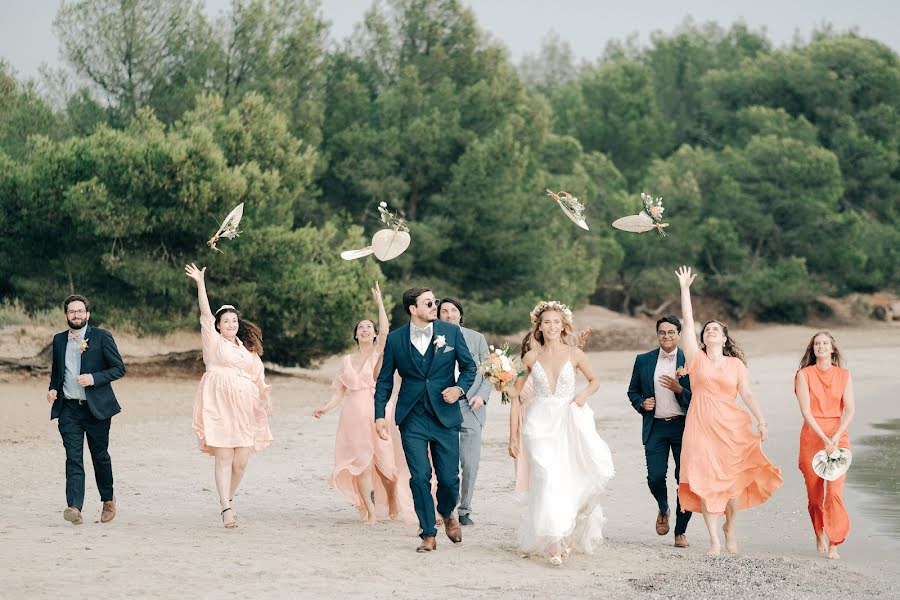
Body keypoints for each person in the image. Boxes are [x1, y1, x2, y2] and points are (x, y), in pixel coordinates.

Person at [674, 266, 782, 555]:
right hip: (700, 426)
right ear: (704, 338)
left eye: (716, 330)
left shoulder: (736, 365)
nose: (711, 332)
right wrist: (685, 289)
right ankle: (713, 540)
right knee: (706, 480)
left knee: (732, 486)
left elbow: (746, 393)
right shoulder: (695, 359)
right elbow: (687, 321)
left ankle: (730, 527)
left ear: (724, 338)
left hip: (730, 427)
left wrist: (762, 420)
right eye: (707, 329)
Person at [507, 301, 614, 566]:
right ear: (539, 327)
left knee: (570, 478)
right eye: (546, 322)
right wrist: (500, 378)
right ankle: (555, 541)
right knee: (545, 478)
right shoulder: (530, 358)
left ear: (563, 325)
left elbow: (595, 381)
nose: (552, 326)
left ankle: (566, 532)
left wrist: (582, 395)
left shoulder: (575, 354)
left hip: (569, 420)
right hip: (538, 425)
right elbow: (515, 394)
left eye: (556, 322)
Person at [374, 287, 477, 552]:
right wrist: (379, 415)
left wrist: (459, 389)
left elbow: (469, 367)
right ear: (413, 309)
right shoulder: (396, 340)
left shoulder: (451, 333)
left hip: (444, 414)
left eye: (435, 302)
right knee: (419, 477)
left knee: (449, 478)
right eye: (429, 303)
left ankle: (447, 512)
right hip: (412, 417)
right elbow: (385, 380)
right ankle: (428, 532)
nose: (435, 306)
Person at [313, 283, 414, 524]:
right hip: (353, 417)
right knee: (361, 465)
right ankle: (369, 511)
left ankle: (391, 498)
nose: (365, 329)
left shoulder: (381, 352)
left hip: (380, 414)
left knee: (387, 467)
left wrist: (380, 303)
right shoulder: (346, 361)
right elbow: (339, 392)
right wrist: (326, 408)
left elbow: (387, 331)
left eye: (369, 327)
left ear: (375, 334)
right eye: (361, 327)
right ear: (356, 335)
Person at [185, 263, 273, 529]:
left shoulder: (248, 351)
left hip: (245, 406)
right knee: (224, 457)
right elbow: (204, 312)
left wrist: (266, 398)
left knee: (241, 461)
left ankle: (228, 497)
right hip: (218, 403)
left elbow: (259, 376)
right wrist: (201, 283)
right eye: (226, 321)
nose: (231, 324)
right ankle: (226, 507)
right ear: (219, 326)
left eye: (234, 321)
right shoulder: (213, 343)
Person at [47, 294, 125, 525]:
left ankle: (107, 499)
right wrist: (53, 389)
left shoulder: (101, 337)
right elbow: (56, 373)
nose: (76, 315)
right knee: (73, 458)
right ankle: (74, 507)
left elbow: (118, 369)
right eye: (72, 311)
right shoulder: (59, 340)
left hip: (96, 409)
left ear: (87, 314)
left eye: (80, 311)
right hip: (69, 408)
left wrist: (93, 378)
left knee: (99, 456)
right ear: (66, 315)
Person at [627, 315, 693, 548]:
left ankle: (680, 532)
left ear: (679, 334)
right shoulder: (643, 360)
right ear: (657, 335)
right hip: (655, 426)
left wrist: (679, 389)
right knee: (655, 477)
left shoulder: (691, 360)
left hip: (684, 427)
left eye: (671, 332)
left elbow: (701, 398)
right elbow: (632, 391)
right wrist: (641, 403)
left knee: (684, 480)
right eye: (662, 332)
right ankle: (664, 508)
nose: (666, 336)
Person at [794, 331, 856, 560]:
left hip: (838, 437)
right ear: (813, 349)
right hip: (812, 436)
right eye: (817, 343)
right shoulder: (804, 374)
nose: (821, 346)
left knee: (835, 493)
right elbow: (806, 411)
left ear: (832, 349)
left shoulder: (844, 375)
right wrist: (824, 437)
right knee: (814, 495)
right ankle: (819, 531)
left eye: (825, 343)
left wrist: (836, 436)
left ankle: (834, 542)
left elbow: (849, 410)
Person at [437, 297, 492, 526]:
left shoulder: (476, 338)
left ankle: (465, 509)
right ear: (438, 316)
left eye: (453, 310)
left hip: (472, 406)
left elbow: (489, 372)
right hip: (443, 406)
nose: (449, 314)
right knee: (445, 462)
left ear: (460, 314)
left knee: (469, 462)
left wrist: (482, 396)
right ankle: (446, 507)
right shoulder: (434, 338)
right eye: (444, 311)